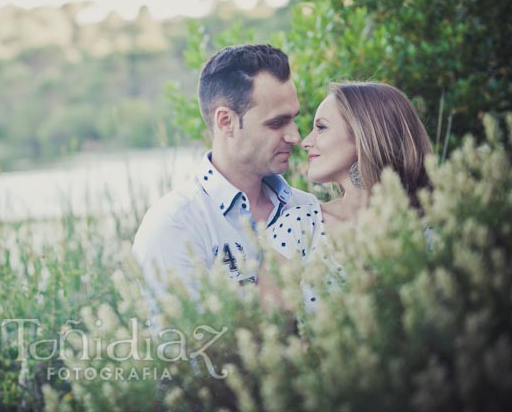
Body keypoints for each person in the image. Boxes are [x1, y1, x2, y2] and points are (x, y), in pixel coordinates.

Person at [132, 44, 320, 302]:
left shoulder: (308, 208)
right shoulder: (174, 226)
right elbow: (185, 340)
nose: (295, 136)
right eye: (277, 123)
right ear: (226, 122)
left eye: (293, 119)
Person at [259, 81, 433, 311]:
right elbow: (269, 335)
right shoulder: (299, 227)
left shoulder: (433, 229)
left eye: (321, 127)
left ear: (365, 134)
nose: (305, 141)